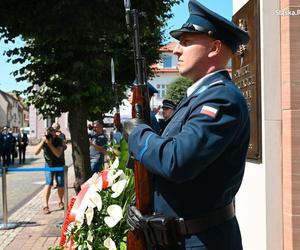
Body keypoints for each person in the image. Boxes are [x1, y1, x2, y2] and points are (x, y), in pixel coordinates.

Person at [124, 1, 250, 249]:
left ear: (214, 48)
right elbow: (169, 145)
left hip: (201, 240)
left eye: (186, 42)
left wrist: (137, 133)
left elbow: (177, 161)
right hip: (177, 237)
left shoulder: (220, 98)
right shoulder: (199, 96)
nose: (176, 51)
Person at [35, 127, 65, 215]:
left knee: (60, 183)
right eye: (49, 133)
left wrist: (49, 144)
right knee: (48, 183)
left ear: (55, 133)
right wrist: (42, 142)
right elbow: (36, 152)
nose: (50, 134)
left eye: (52, 132)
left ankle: (60, 201)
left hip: (59, 163)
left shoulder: (59, 140)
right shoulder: (45, 139)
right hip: (49, 164)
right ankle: (45, 206)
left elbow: (58, 154)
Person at [51, 122, 67, 188]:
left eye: (54, 127)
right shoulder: (51, 135)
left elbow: (64, 145)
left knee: (60, 171)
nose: (53, 128)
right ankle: (55, 182)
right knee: (53, 170)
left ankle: (60, 183)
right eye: (53, 127)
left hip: (60, 156)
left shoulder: (62, 135)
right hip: (52, 156)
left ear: (58, 128)